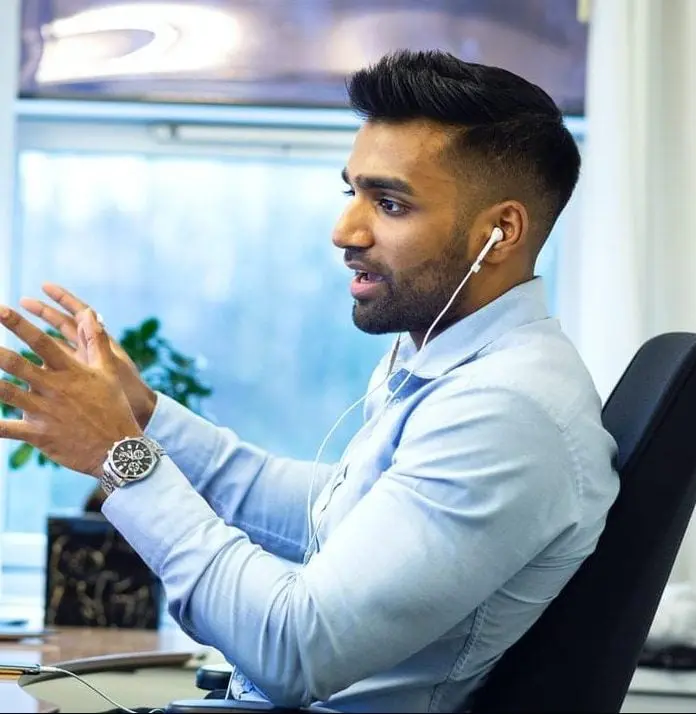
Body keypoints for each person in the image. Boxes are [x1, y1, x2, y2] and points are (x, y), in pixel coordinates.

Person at [0, 50, 620, 713]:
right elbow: (331, 515)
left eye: (389, 202)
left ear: (500, 232)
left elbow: (296, 650)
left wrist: (120, 458)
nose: (344, 231)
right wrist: (148, 419)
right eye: (351, 192)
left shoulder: (506, 412)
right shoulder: (462, 368)